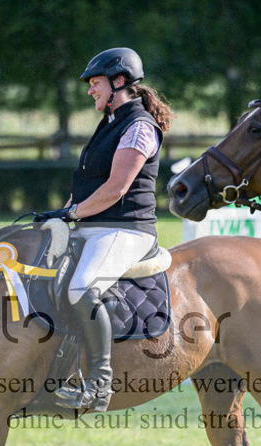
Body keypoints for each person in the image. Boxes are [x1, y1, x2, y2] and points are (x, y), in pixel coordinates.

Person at [37, 47, 174, 412]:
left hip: (125, 230)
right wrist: (62, 213)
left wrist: (72, 213)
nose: (90, 90)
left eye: (95, 83)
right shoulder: (110, 124)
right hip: (94, 225)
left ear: (119, 81)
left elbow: (116, 188)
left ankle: (99, 384)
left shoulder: (139, 127)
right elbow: (89, 184)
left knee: (82, 287)